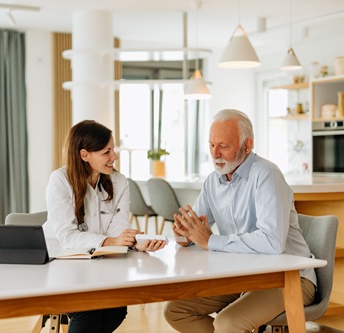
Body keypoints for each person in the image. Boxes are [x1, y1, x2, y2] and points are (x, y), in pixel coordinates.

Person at [164, 109, 316, 333]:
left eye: (224, 146)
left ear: (247, 146)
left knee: (227, 323)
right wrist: (185, 235)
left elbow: (272, 242)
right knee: (175, 311)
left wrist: (210, 240)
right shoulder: (213, 181)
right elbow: (197, 232)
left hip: (289, 279)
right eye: (211, 145)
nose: (215, 154)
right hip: (243, 278)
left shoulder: (266, 176)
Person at [43, 119, 166, 333]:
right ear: (84, 155)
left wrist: (135, 244)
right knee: (88, 309)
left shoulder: (119, 182)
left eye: (114, 150)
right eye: (106, 152)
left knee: (117, 308)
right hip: (61, 262)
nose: (114, 157)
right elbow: (67, 237)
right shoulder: (60, 180)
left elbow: (118, 231)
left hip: (100, 265)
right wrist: (113, 241)